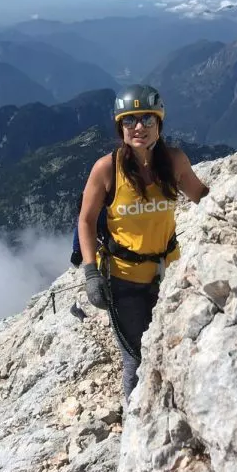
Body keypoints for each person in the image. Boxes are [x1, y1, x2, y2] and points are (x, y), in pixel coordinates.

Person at [77, 84, 210, 402]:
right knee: (135, 359)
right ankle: (137, 422)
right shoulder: (107, 169)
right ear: (119, 126)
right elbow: (85, 220)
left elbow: (203, 197)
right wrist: (91, 273)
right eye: (129, 120)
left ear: (159, 123)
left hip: (170, 275)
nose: (139, 127)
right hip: (123, 281)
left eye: (147, 119)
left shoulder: (175, 161)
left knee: (174, 344)